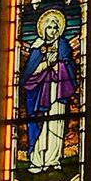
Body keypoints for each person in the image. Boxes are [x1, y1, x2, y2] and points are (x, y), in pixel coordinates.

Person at [20, 9, 78, 172]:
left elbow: (69, 67)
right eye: (49, 27)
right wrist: (46, 64)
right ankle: (37, 160)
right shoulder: (37, 48)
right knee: (39, 123)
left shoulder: (63, 45)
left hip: (57, 92)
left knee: (55, 122)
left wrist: (58, 65)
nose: (52, 31)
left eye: (55, 27)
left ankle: (53, 158)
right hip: (39, 94)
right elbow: (29, 75)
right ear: (43, 29)